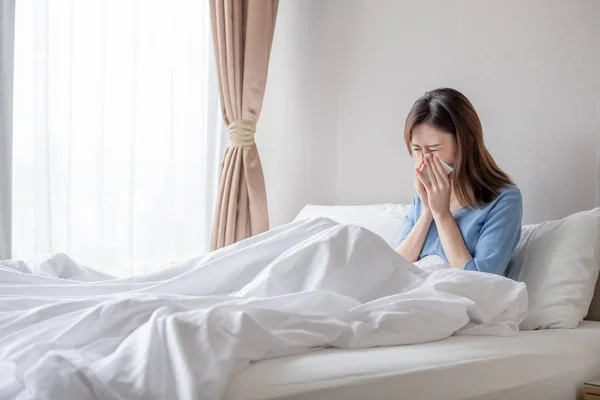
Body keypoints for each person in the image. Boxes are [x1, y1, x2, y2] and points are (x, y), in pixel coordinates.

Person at [394, 88, 522, 276]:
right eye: (417, 149)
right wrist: (428, 210)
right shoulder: (423, 196)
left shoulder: (503, 200)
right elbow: (394, 264)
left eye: (434, 148)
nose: (425, 159)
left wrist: (442, 214)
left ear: (463, 142)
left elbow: (482, 279)